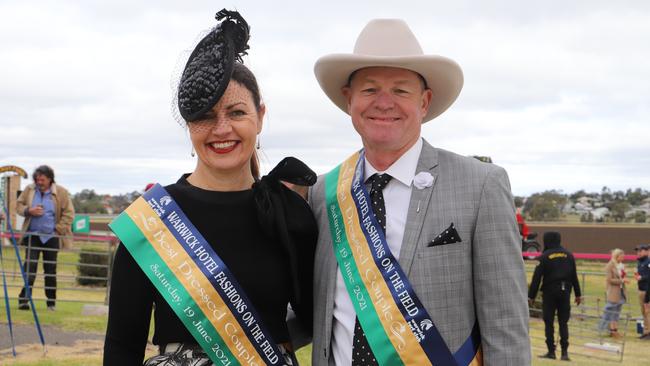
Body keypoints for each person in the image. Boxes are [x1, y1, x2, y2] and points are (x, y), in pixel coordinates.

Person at [309, 19, 530, 366]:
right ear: (349, 99)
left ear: (425, 102)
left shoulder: (481, 185)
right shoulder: (323, 193)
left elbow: (506, 327)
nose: (384, 103)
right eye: (369, 90)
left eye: (400, 90)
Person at [103, 10, 317, 365]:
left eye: (236, 113)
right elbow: (122, 345)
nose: (221, 129)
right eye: (205, 115)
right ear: (188, 124)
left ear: (260, 116)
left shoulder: (290, 213)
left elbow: (317, 317)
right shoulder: (151, 220)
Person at [15, 165, 74, 311]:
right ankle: (24, 300)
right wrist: (29, 210)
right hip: (32, 236)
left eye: (42, 179)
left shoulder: (61, 192)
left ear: (49, 179)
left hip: (51, 238)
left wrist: (57, 229)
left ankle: (51, 303)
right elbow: (18, 205)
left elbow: (69, 214)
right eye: (37, 179)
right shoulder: (29, 190)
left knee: (50, 270)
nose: (39, 182)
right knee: (29, 268)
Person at [528, 231, 582, 361]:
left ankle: (551, 351)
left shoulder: (544, 256)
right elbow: (574, 275)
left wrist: (531, 296)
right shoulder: (569, 255)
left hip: (549, 292)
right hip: (565, 292)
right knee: (564, 322)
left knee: (549, 322)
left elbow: (537, 278)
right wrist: (578, 294)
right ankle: (564, 353)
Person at [598, 248, 628, 338]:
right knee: (611, 311)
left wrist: (624, 276)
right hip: (613, 292)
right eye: (621, 257)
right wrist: (622, 280)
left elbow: (622, 276)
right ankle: (609, 330)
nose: (623, 258)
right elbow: (610, 280)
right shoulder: (610, 265)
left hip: (621, 292)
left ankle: (615, 330)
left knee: (617, 312)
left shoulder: (621, 266)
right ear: (616, 256)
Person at [635, 243, 650, 339]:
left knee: (648, 311)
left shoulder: (648, 262)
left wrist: (642, 277)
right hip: (641, 289)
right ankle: (646, 331)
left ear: (646, 251)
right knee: (643, 312)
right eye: (637, 251)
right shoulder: (640, 262)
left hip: (647, 290)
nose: (638, 253)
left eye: (640, 251)